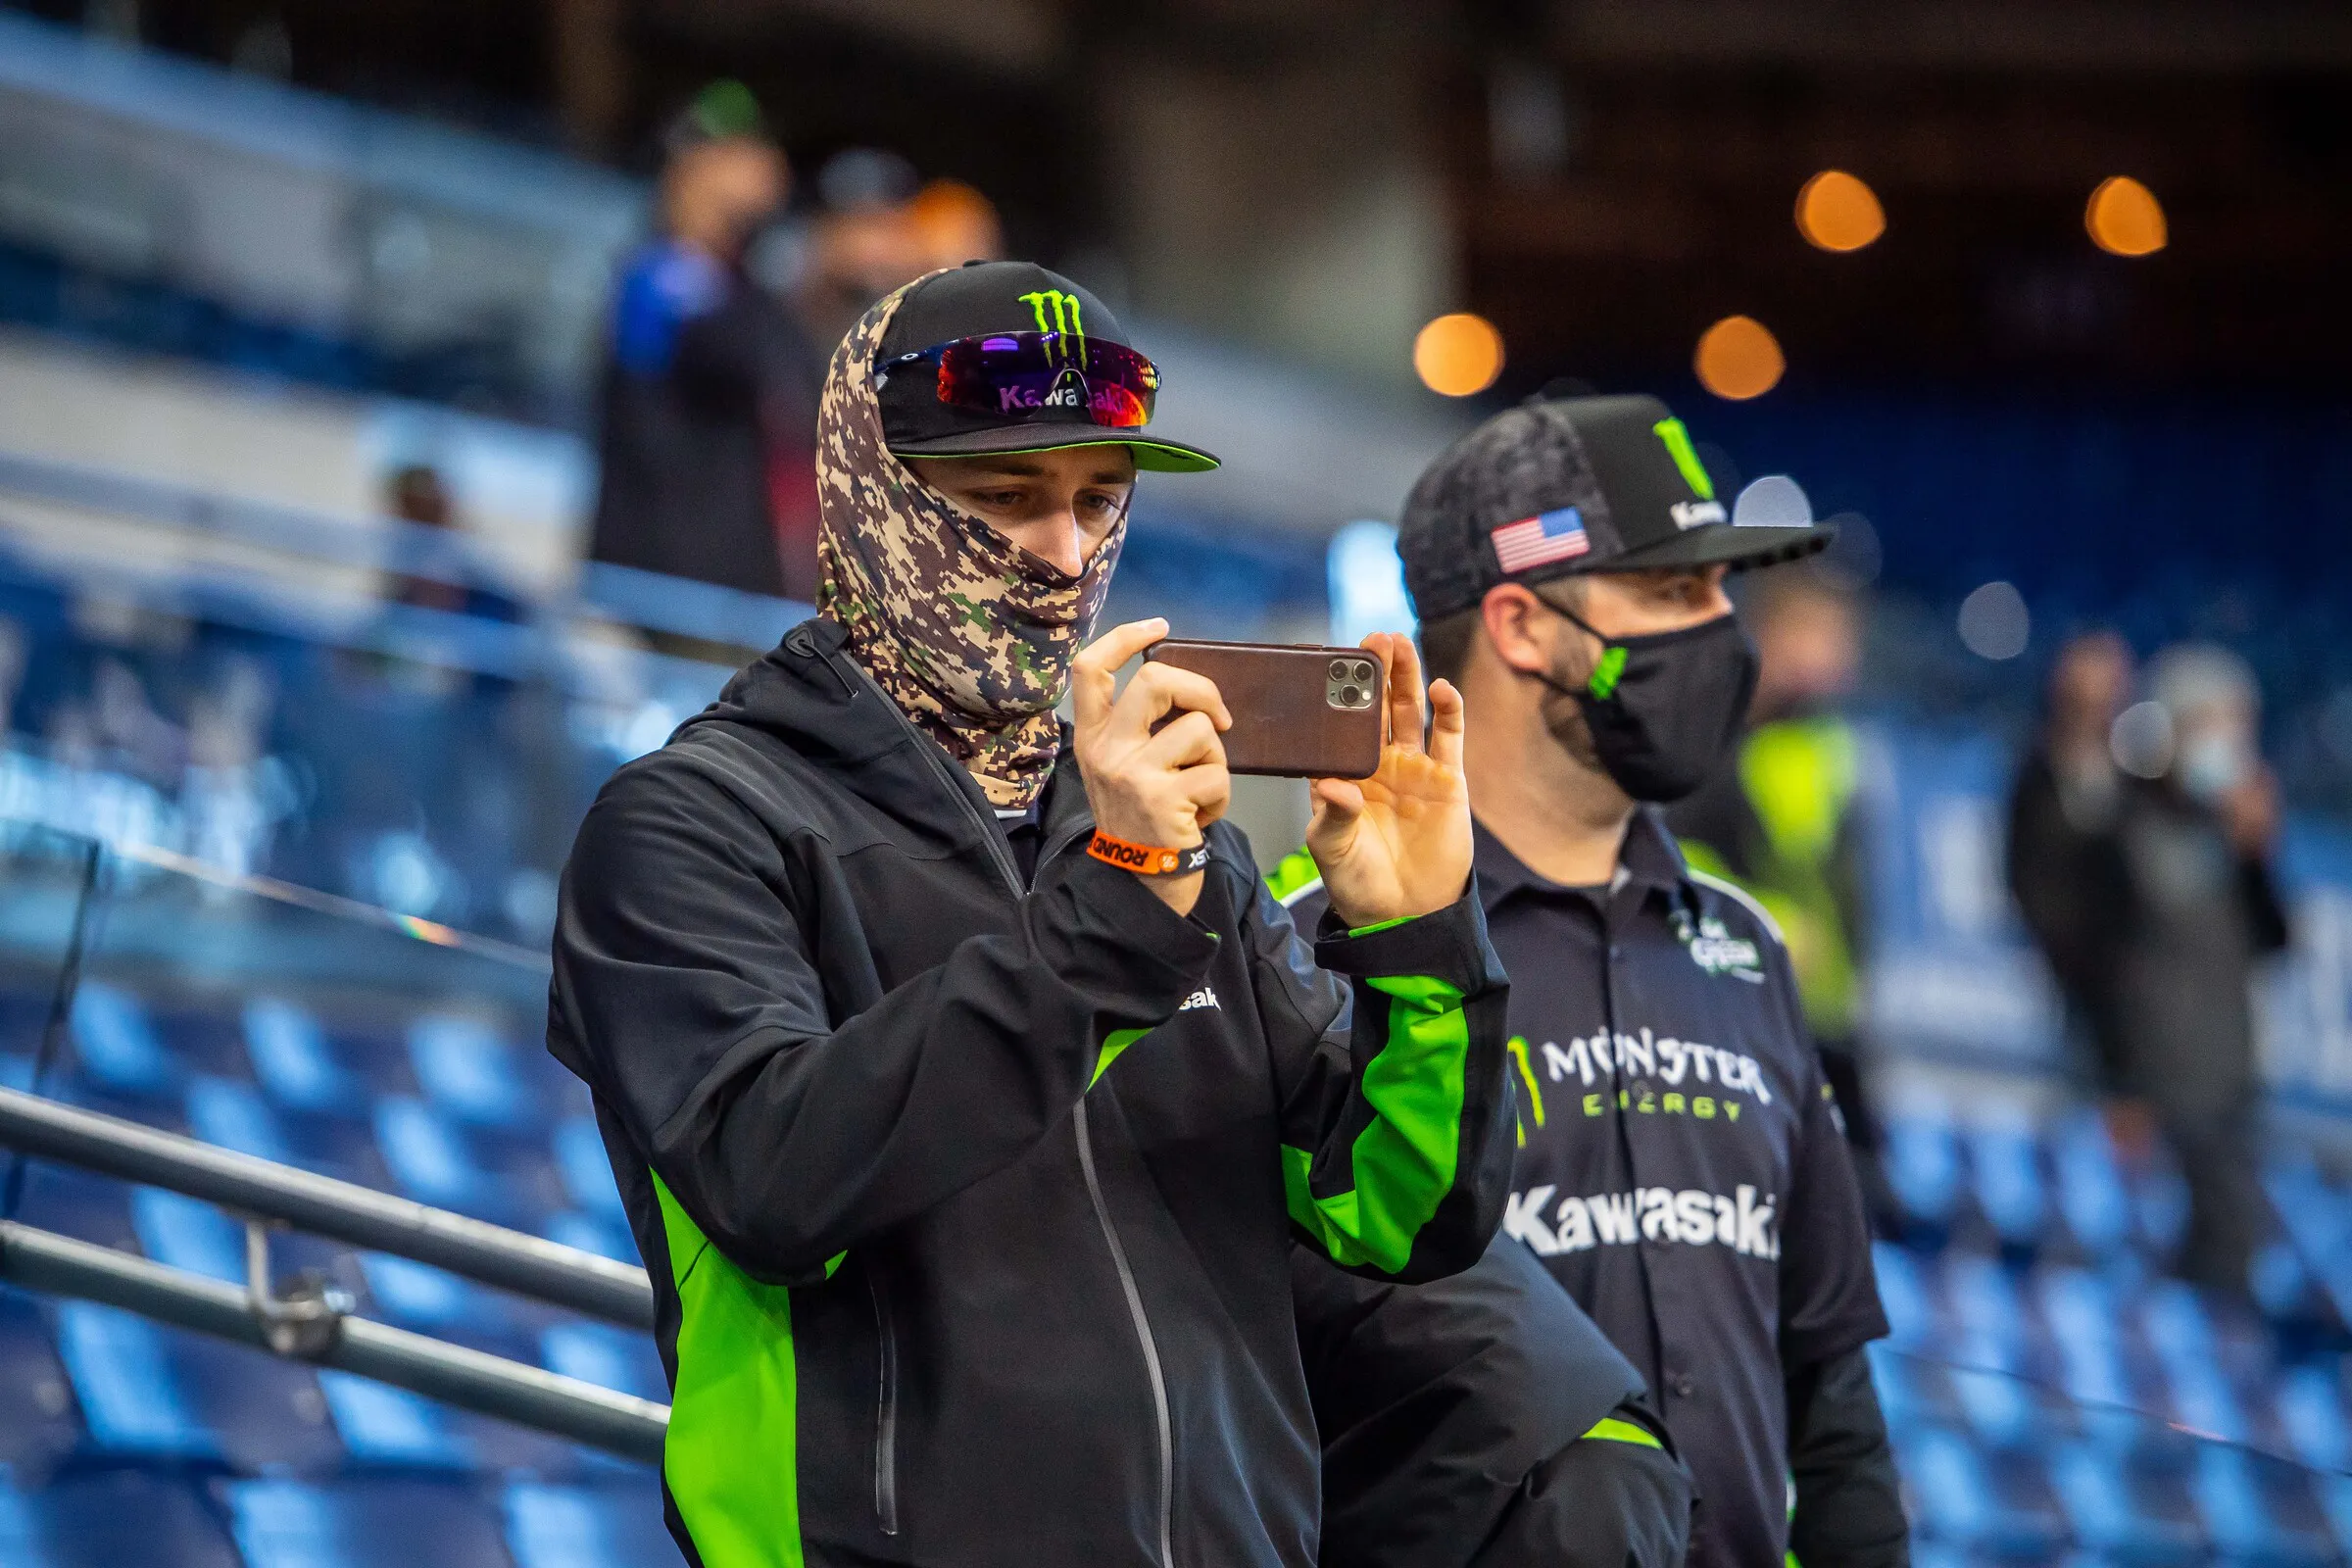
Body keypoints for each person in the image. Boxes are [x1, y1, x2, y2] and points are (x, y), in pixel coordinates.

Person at [547, 261, 1515, 1567]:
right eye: (1008, 499)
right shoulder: (690, 824)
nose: (1064, 556)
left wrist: (1419, 943)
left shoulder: (1180, 857)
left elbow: (1403, 1220)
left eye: (1099, 502)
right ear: (869, 496)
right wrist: (1113, 911)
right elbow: (771, 1179)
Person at [1277, 394, 1904, 1568]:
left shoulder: (1745, 947)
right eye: (1674, 594)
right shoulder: (1310, 947)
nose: (1725, 632)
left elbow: (1831, 1394)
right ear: (1521, 622)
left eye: (1721, 593)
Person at [2012, 641, 2288, 1296]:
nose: (2231, 744)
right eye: (2214, 725)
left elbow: (2273, 941)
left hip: (2224, 1087)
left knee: (2228, 1263)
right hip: (2140, 1092)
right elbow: (2073, 927)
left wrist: (2257, 858)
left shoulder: (2230, 837)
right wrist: (2120, 1083)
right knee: (2122, 1274)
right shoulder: (2117, 818)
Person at [1670, 565, 1893, 1226]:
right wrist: (1762, 922)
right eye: (1819, 636)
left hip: (1818, 1030)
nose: (1836, 659)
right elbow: (1659, 854)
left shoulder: (1827, 747)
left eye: (1842, 641)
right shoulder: (1694, 736)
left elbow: (1840, 899)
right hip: (1714, 1018)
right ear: (1769, 633)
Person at [589, 106, 827, 603]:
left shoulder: (751, 294)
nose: (763, 170)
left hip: (746, 593)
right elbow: (723, 353)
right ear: (688, 171)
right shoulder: (657, 278)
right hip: (661, 590)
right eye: (734, 156)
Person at [2007, 631, 2137, 1117]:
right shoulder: (2036, 769)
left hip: (2125, 980)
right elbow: (2022, 868)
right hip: (2059, 969)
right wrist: (2056, 940)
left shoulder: (2135, 776)